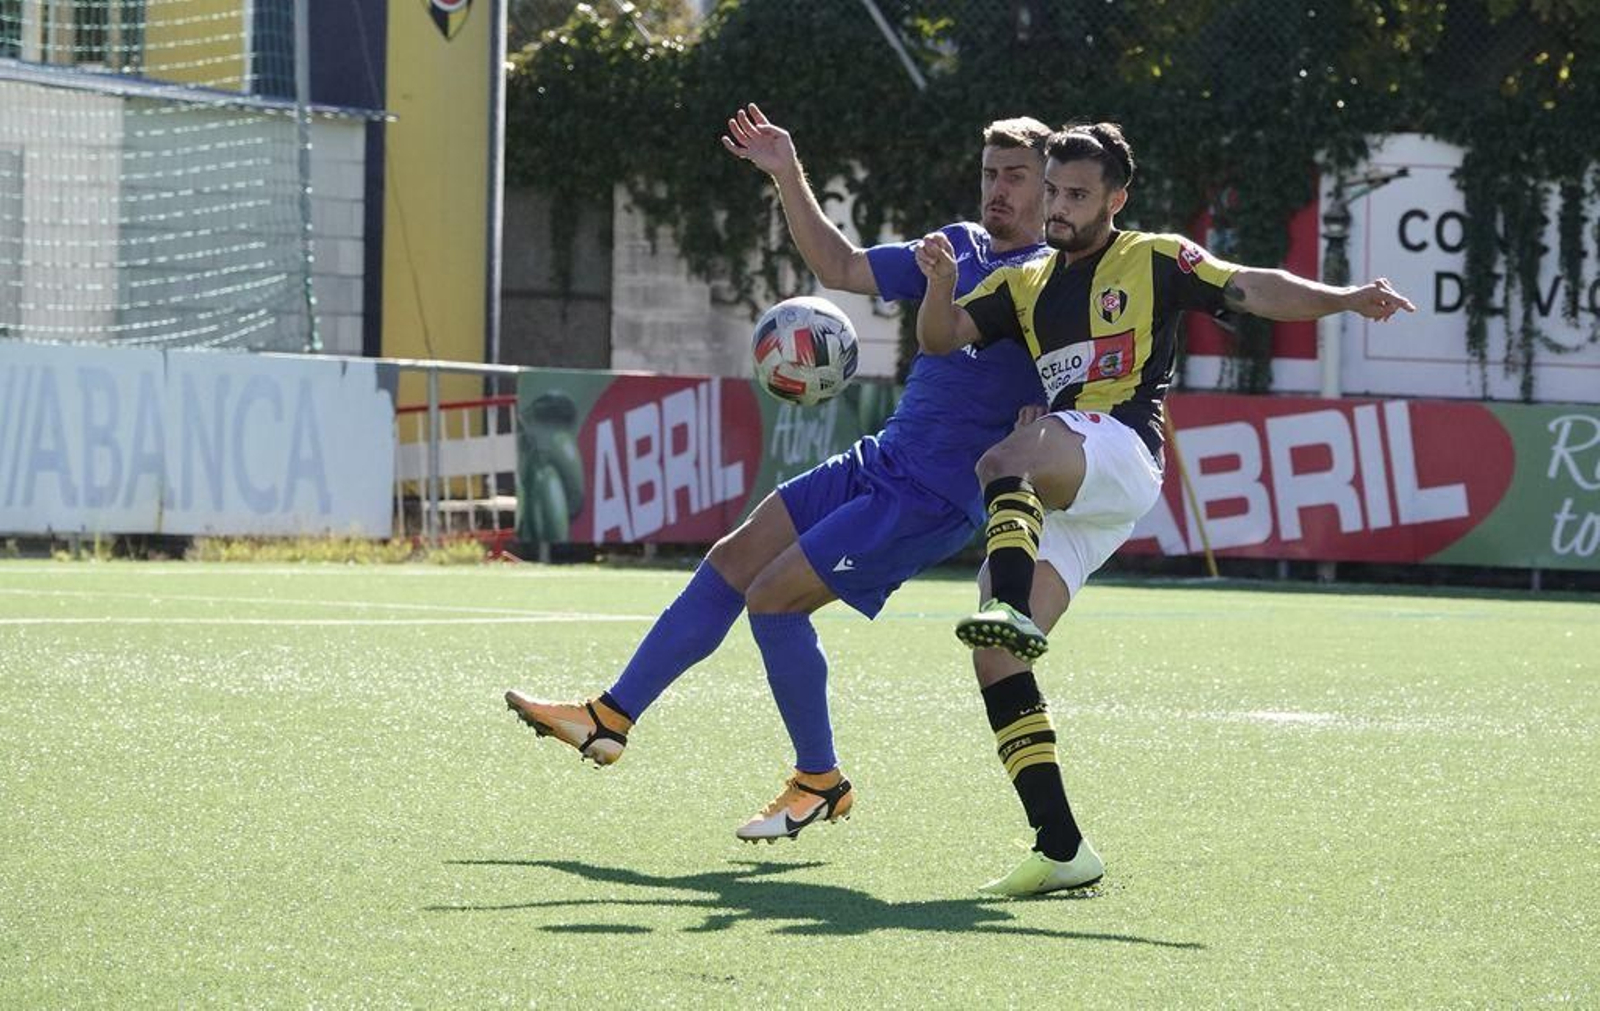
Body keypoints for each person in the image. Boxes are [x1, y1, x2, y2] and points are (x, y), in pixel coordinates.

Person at [506, 104, 1055, 843]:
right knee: (733, 559)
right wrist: (786, 171)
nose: (998, 189)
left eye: (1016, 177)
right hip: (882, 460)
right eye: (991, 173)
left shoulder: (1049, 283)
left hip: (931, 497)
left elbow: (1081, 373)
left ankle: (819, 780)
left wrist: (1045, 419)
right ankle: (609, 716)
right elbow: (839, 267)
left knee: (773, 601)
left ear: (1051, 190)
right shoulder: (954, 247)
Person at [916, 121, 1416, 896]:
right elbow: (940, 337)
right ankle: (1061, 846)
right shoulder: (1025, 281)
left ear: (1117, 199)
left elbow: (1252, 285)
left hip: (1117, 448)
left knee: (1002, 458)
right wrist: (941, 282)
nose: (1058, 206)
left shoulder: (1151, 257)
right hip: (1075, 479)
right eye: (1052, 190)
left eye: (1077, 195)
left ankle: (1009, 604)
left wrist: (1347, 298)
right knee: (996, 660)